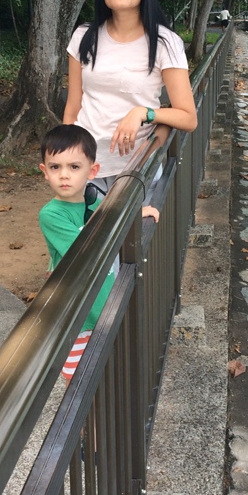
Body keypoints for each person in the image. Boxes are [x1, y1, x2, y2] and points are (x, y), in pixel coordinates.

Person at [63, 0, 197, 199]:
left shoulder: (164, 43)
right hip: (87, 171)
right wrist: (68, 163)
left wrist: (143, 113)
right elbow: (72, 109)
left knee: (133, 227)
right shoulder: (83, 37)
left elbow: (188, 117)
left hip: (136, 172)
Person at [39, 123, 158, 381]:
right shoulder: (52, 214)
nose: (64, 175)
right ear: (45, 171)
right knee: (78, 379)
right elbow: (87, 249)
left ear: (92, 171)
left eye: (74, 167)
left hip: (103, 300)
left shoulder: (92, 198)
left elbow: (111, 217)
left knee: (108, 372)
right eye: (55, 167)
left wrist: (134, 213)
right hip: (76, 312)